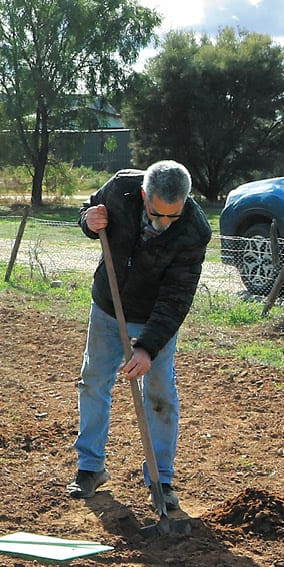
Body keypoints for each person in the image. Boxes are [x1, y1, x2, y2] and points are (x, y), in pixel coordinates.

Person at [67, 160, 210, 515]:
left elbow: (177, 297)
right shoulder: (120, 188)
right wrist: (88, 221)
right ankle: (90, 467)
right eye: (156, 214)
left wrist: (147, 347)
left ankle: (160, 479)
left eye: (171, 217)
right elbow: (91, 209)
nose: (163, 224)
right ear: (144, 195)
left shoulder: (194, 231)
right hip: (108, 307)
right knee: (94, 382)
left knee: (160, 395)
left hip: (154, 319)